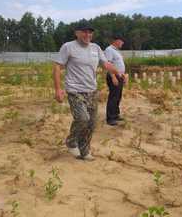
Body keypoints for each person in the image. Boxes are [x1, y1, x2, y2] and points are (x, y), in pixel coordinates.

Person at [53, 22, 121, 161]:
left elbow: (105, 64)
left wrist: (117, 72)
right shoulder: (68, 47)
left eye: (90, 32)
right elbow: (57, 67)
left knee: (91, 123)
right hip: (75, 90)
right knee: (83, 118)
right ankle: (72, 141)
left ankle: (85, 150)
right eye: (84, 32)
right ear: (76, 33)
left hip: (91, 91)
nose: (87, 35)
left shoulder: (95, 48)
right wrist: (58, 89)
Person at [104, 38, 128, 126]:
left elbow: (118, 64)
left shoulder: (116, 51)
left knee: (118, 96)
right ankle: (110, 118)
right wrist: (113, 77)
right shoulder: (109, 50)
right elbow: (108, 65)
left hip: (119, 76)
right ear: (116, 41)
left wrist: (123, 76)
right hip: (114, 76)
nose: (123, 43)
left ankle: (115, 114)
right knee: (113, 96)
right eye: (121, 41)